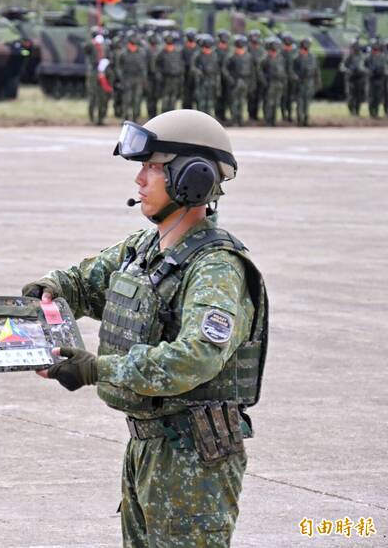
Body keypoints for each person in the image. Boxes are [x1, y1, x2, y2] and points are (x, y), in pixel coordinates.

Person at [22, 109, 267, 548]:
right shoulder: (145, 249)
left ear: (191, 178)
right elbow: (82, 282)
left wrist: (96, 369)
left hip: (192, 458)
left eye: (152, 167)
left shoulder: (216, 268)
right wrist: (48, 291)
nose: (139, 179)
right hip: (148, 447)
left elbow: (194, 358)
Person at [114, 32, 148, 121]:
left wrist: (144, 79)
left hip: (138, 79)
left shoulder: (142, 52)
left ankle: (135, 118)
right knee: (126, 99)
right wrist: (121, 78)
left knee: (137, 100)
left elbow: (144, 67)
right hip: (127, 79)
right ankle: (125, 118)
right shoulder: (123, 53)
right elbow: (118, 67)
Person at [224, 34, 253, 126]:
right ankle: (234, 120)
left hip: (245, 81)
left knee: (242, 101)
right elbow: (225, 69)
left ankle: (240, 120)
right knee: (234, 102)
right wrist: (230, 79)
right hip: (235, 82)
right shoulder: (231, 56)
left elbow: (252, 70)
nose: (240, 49)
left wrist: (251, 83)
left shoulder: (248, 56)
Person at [292, 37, 322, 127]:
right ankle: (300, 120)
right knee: (300, 102)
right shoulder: (296, 57)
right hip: (300, 82)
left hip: (310, 82)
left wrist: (318, 82)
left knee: (307, 102)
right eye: (305, 43)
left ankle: (305, 120)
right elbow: (292, 71)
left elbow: (317, 71)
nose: (306, 45)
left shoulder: (313, 57)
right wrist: (296, 78)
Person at [85, 27, 111, 125]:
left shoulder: (105, 46)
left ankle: (101, 118)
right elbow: (86, 49)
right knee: (93, 96)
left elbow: (108, 56)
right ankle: (92, 118)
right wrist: (93, 42)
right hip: (93, 73)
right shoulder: (91, 45)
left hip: (103, 72)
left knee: (102, 96)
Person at [192, 34, 220, 116]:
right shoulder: (197, 55)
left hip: (212, 81)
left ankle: (209, 117)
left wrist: (217, 83)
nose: (206, 50)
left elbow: (217, 70)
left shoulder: (214, 55)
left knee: (210, 102)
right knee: (201, 102)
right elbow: (193, 68)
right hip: (201, 82)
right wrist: (199, 72)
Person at [260, 37, 286, 126]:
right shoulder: (265, 59)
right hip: (270, 83)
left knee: (276, 102)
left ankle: (273, 121)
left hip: (279, 83)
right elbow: (260, 72)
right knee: (268, 103)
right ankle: (268, 121)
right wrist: (264, 82)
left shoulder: (281, 59)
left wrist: (283, 82)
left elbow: (283, 71)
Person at [156, 32, 184, 112]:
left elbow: (181, 64)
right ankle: (164, 113)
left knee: (174, 97)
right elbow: (157, 65)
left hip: (176, 78)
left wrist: (180, 74)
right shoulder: (162, 52)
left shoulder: (178, 52)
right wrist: (159, 75)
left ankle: (172, 113)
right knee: (165, 97)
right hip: (166, 78)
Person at [341, 40, 369, 117]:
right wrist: (348, 70)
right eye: (354, 46)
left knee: (359, 96)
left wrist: (364, 70)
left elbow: (367, 66)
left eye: (357, 46)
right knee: (351, 96)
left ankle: (357, 111)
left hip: (360, 78)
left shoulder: (362, 56)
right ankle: (352, 111)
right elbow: (342, 66)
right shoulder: (348, 56)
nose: (356, 48)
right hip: (351, 79)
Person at [365, 38, 387, 119]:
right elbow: (364, 66)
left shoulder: (382, 57)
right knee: (371, 97)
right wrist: (370, 71)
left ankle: (376, 113)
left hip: (379, 79)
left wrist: (381, 70)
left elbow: (384, 67)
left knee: (378, 97)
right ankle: (372, 113)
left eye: (376, 47)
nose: (375, 49)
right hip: (371, 79)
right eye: (374, 47)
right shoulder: (368, 57)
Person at [247, 30, 266, 121]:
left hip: (259, 77)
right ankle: (251, 115)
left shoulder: (262, 50)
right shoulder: (247, 49)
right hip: (250, 77)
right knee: (251, 97)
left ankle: (255, 115)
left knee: (258, 98)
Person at [280, 33, 298, 122]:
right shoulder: (280, 52)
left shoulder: (295, 52)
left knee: (291, 98)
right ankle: (284, 115)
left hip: (292, 78)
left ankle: (290, 115)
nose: (288, 41)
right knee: (283, 97)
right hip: (283, 78)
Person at [215, 30, 232, 121]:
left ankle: (223, 116)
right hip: (217, 78)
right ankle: (218, 115)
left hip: (227, 78)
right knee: (217, 97)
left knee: (227, 97)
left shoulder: (230, 51)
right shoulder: (214, 51)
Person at [145, 31, 162, 119]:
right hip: (149, 77)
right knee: (149, 97)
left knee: (156, 96)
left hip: (157, 77)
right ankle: (150, 115)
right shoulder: (145, 50)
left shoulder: (159, 50)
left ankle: (155, 115)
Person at [181, 29, 198, 110]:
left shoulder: (198, 50)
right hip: (186, 76)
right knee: (186, 98)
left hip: (196, 76)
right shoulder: (183, 50)